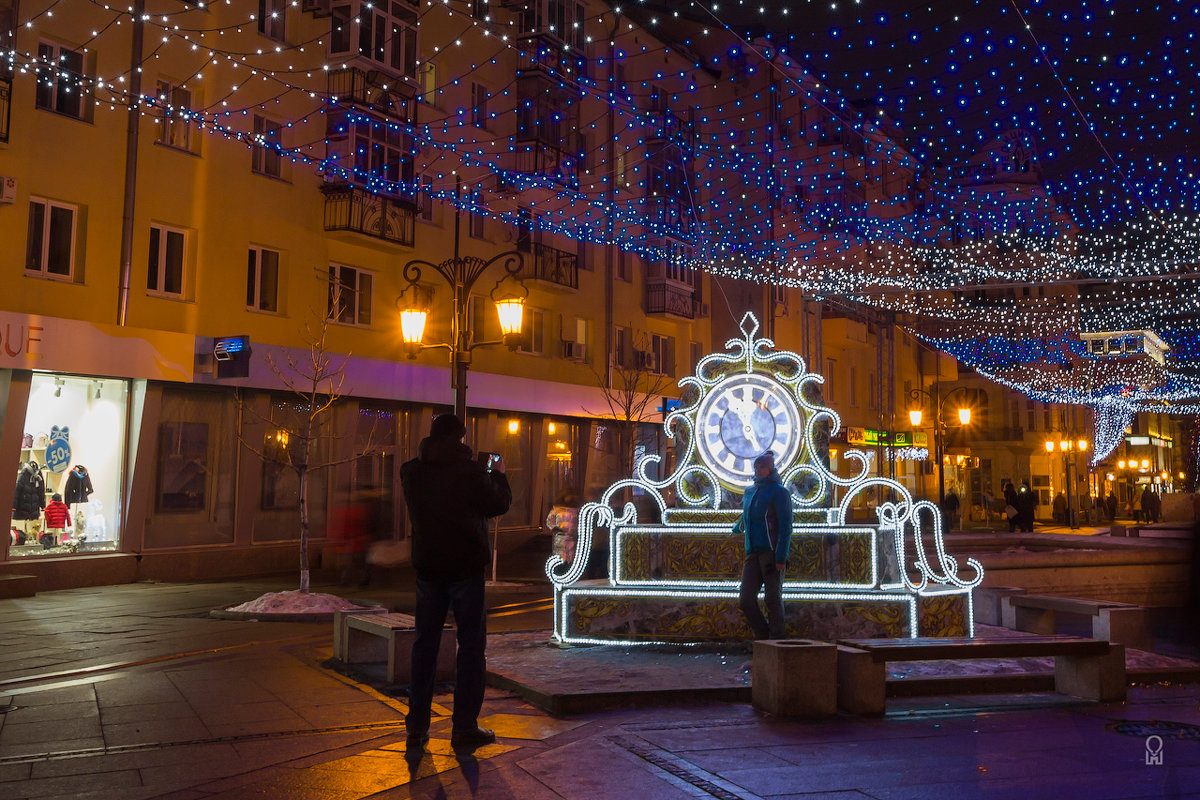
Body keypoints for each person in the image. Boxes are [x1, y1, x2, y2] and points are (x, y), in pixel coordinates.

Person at [400, 413, 512, 751]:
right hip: (465, 570)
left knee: (424, 647)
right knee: (471, 649)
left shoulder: (411, 472)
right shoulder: (472, 473)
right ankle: (464, 727)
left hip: (429, 570)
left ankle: (417, 726)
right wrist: (498, 475)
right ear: (460, 438)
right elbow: (498, 504)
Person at [733, 452, 793, 640]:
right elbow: (747, 515)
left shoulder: (779, 492)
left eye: (762, 467)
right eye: (757, 467)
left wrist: (781, 557)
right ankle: (764, 636)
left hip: (771, 552)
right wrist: (737, 527)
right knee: (746, 600)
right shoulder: (750, 491)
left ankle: (777, 639)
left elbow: (786, 526)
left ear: (771, 469)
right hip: (752, 552)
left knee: (772, 598)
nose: (758, 470)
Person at [546, 488, 580, 568]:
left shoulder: (577, 510)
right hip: (560, 537)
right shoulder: (557, 510)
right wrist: (555, 528)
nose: (571, 498)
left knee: (571, 558)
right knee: (560, 557)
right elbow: (550, 522)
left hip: (573, 537)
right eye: (569, 496)